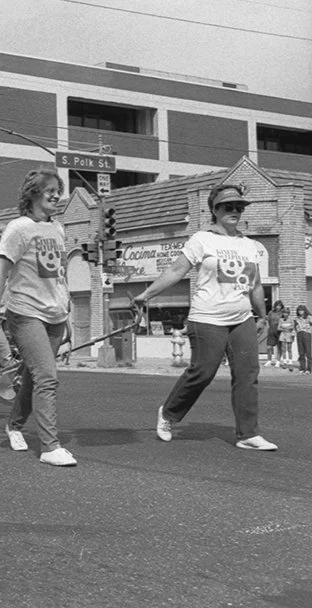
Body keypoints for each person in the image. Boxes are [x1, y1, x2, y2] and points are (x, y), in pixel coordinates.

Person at [133, 183, 277, 451]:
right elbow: (177, 270)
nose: (235, 211)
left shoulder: (249, 245)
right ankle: (168, 415)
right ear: (215, 209)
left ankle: (248, 433)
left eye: (239, 207)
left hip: (241, 318)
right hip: (207, 317)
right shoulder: (202, 239)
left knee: (247, 374)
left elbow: (255, 285)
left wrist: (262, 315)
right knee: (203, 372)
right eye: (228, 207)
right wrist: (147, 294)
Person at [0, 168, 76, 467]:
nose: (55, 195)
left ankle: (13, 425)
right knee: (47, 377)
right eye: (49, 189)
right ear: (33, 193)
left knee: (32, 378)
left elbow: (60, 276)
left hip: (55, 314)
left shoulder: (58, 229)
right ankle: (50, 447)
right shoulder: (18, 228)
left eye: (58, 190)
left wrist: (68, 315)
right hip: (25, 312)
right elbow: (0, 271)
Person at [266, 300, 284, 367]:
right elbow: (268, 321)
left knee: (279, 346)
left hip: (279, 331)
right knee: (269, 346)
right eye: (277, 305)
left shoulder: (282, 313)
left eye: (279, 305)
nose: (278, 307)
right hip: (271, 330)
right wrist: (269, 328)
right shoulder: (271, 312)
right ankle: (269, 360)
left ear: (281, 306)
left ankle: (278, 361)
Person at [295, 305, 312, 374]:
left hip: (307, 333)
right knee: (301, 352)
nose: (300, 312)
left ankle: (309, 368)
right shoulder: (296, 318)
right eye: (299, 310)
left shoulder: (309, 317)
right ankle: (302, 368)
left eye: (301, 310)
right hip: (299, 334)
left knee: (308, 352)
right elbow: (295, 327)